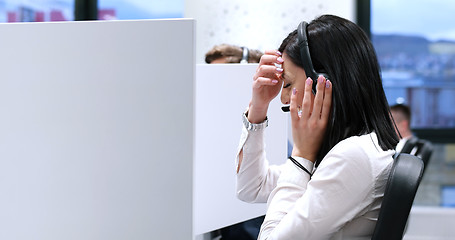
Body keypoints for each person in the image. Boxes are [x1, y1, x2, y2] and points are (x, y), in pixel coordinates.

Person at [236, 15, 399, 239]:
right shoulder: (349, 149)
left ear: (325, 80)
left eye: (289, 84)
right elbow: (251, 188)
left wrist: (301, 155)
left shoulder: (353, 156)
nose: (283, 99)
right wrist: (258, 108)